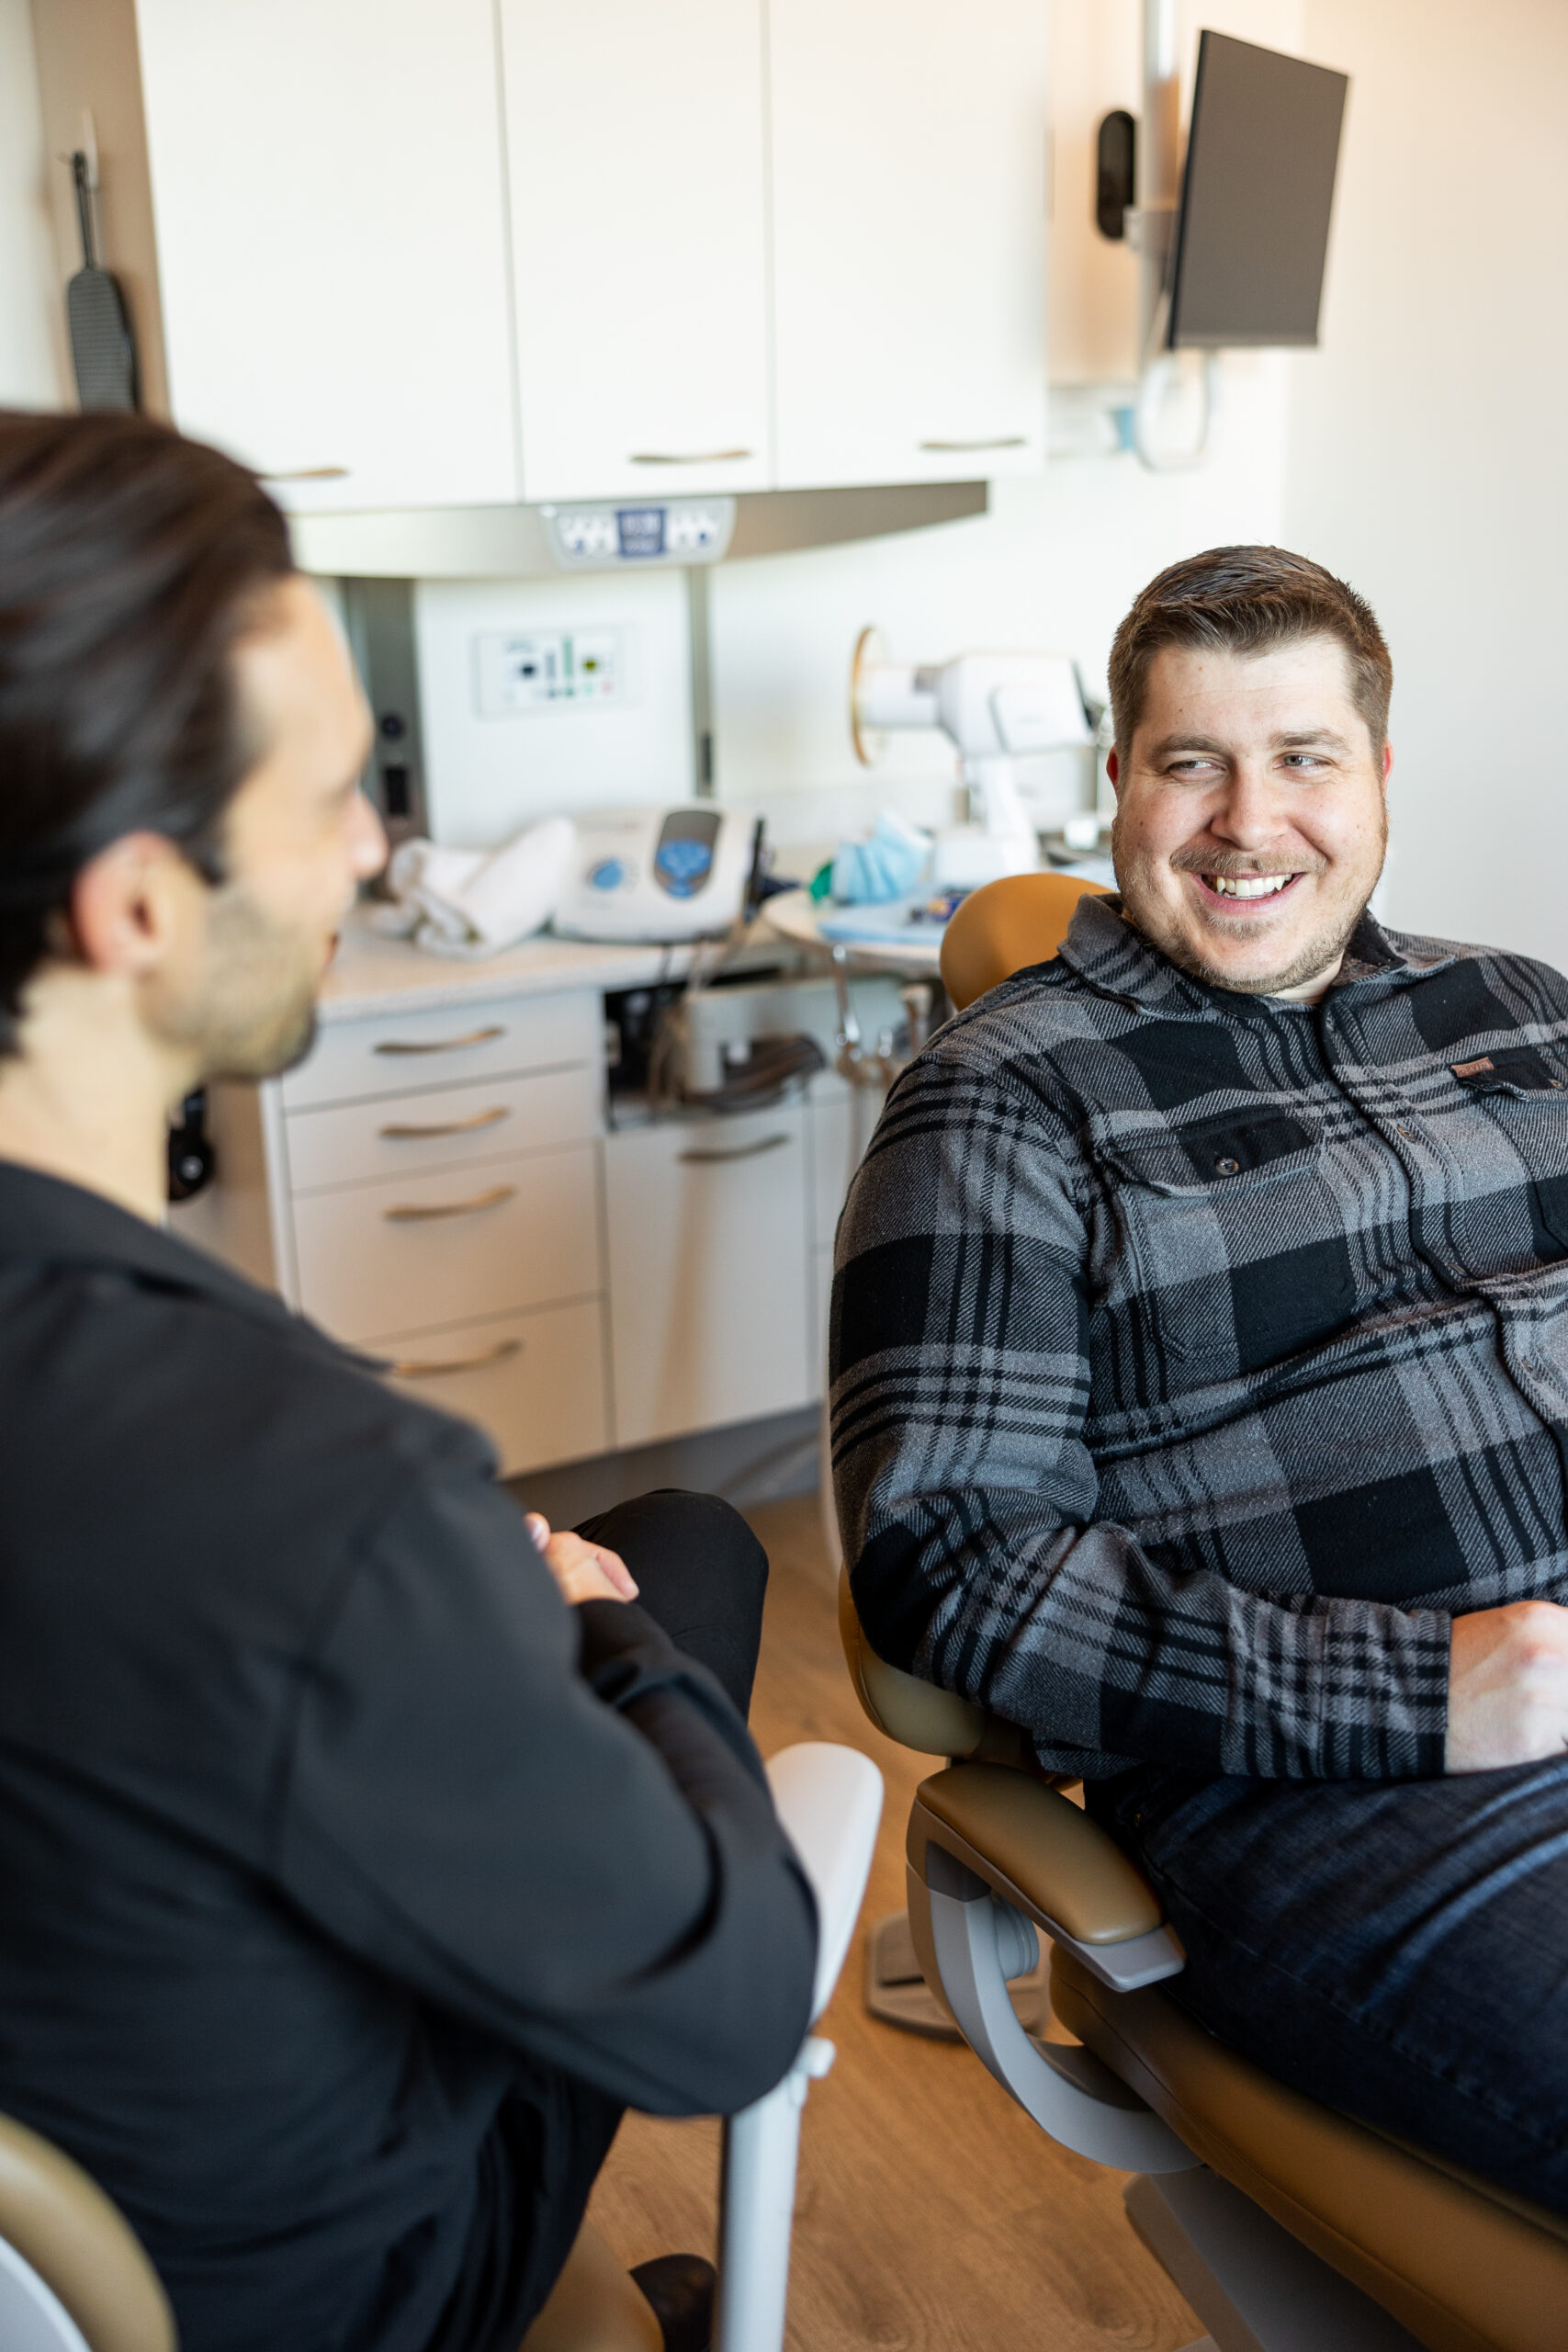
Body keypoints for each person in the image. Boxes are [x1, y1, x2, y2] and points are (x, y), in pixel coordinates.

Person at [0, 408, 818, 2352]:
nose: (370, 852)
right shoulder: (318, 1485)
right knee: (662, 1588)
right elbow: (728, 2011)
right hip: (304, 2289)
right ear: (134, 905)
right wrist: (591, 1636)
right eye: (332, 800)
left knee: (687, 1532)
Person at [833, 544, 1568, 2216]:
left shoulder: (1522, 1011)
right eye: (1193, 765)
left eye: (1303, 758)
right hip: (1359, 1788)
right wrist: (1434, 1692)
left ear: (1379, 775)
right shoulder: (1005, 1108)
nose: (1250, 823)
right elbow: (950, 1564)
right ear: (1121, 785)